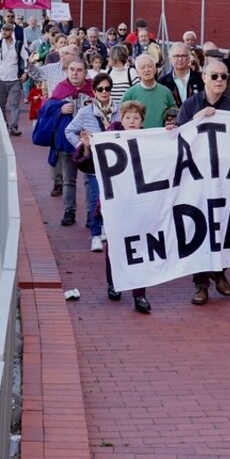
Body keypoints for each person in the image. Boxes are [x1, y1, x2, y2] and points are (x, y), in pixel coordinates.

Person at [177, 59, 230, 305]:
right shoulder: (190, 105)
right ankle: (201, 284)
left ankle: (220, 273)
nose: (220, 81)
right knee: (201, 227)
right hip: (197, 178)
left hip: (226, 178)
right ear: (204, 77)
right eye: (215, 76)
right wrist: (197, 119)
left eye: (224, 77)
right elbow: (179, 137)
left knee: (224, 227)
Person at [100, 101, 153, 314]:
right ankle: (114, 281)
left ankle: (139, 295)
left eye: (136, 118)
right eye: (128, 117)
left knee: (139, 245)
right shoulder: (109, 138)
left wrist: (171, 135)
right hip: (116, 202)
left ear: (142, 122)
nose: (132, 121)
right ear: (121, 119)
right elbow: (85, 163)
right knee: (114, 242)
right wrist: (86, 145)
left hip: (140, 201)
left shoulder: (150, 139)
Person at [66, 73, 118, 252]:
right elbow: (69, 131)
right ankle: (95, 235)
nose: (104, 92)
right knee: (96, 198)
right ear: (94, 91)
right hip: (94, 164)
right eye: (100, 89)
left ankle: (105, 227)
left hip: (114, 165)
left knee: (111, 199)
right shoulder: (85, 112)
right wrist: (81, 145)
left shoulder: (118, 111)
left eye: (107, 89)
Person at [38, 59, 93, 226]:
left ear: (85, 72)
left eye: (79, 70)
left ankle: (92, 213)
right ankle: (70, 211)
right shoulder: (61, 89)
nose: (75, 73)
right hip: (66, 142)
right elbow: (46, 110)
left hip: (89, 143)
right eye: (72, 70)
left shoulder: (93, 90)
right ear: (67, 72)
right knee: (69, 180)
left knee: (90, 179)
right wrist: (59, 109)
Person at [119, 54, 177, 129]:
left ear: (156, 69)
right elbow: (121, 117)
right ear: (137, 72)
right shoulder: (130, 94)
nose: (146, 70)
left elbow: (173, 113)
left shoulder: (166, 92)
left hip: (161, 136)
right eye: (142, 67)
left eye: (150, 66)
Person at [0, 22, 29, 135]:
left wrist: (25, 73)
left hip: (15, 79)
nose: (4, 32)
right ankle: (4, 124)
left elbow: (26, 59)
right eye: (3, 30)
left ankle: (14, 126)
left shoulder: (18, 44)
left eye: (7, 30)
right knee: (1, 104)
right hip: (1, 79)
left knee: (14, 104)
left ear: (11, 32)